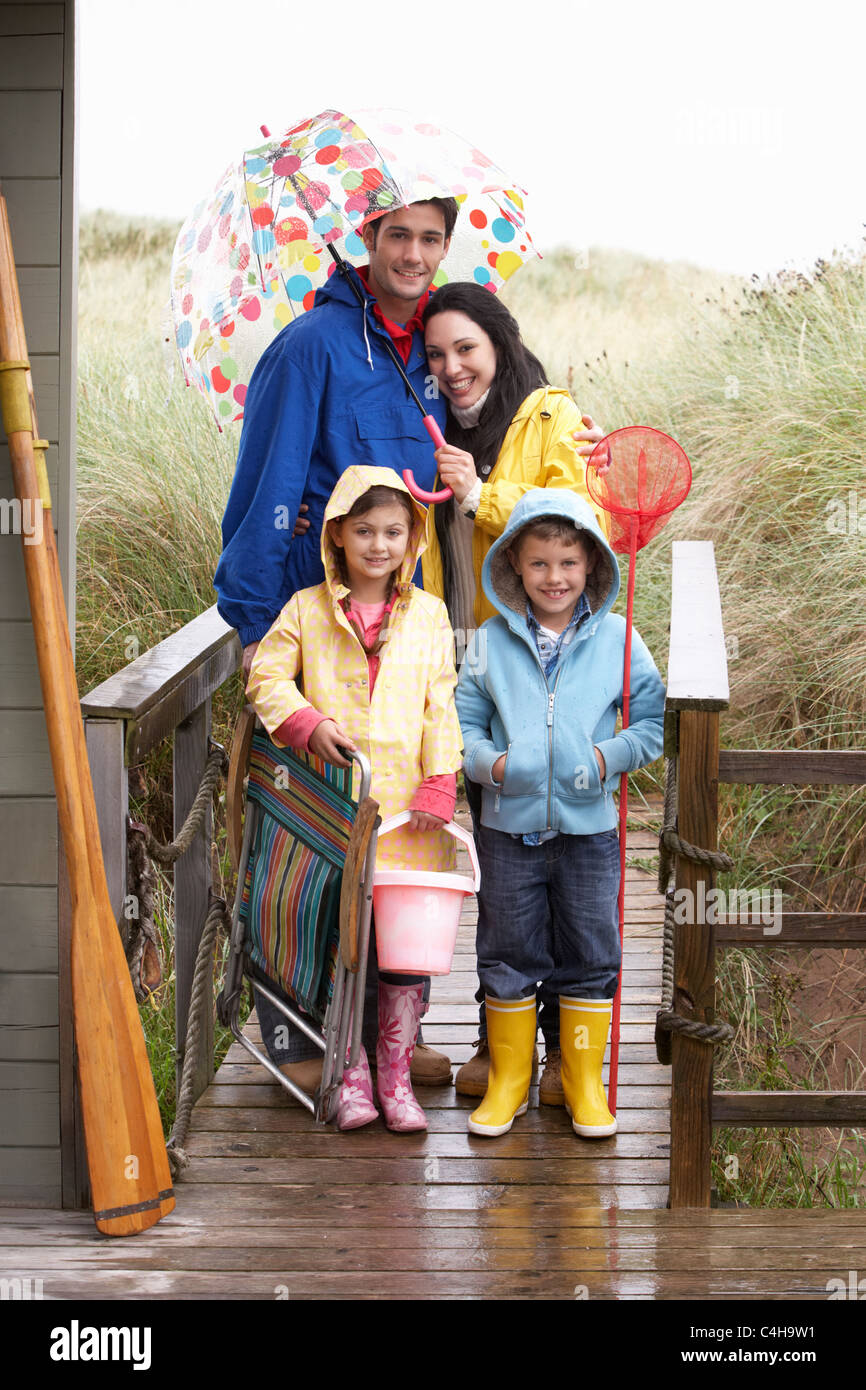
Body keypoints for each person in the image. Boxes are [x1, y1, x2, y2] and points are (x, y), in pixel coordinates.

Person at [215, 198, 460, 1089]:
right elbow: (268, 490)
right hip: (314, 645)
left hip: (397, 644)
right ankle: (297, 1037)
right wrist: (256, 635)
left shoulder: (426, 355)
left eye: (431, 239)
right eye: (398, 236)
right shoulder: (314, 346)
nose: (414, 254)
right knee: (308, 859)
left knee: (389, 852)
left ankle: (387, 1039)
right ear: (368, 242)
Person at [420, 281, 610, 1102]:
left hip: (550, 676)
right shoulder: (428, 428)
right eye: (435, 355)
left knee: (567, 869)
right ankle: (502, 1048)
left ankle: (569, 1057)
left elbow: (583, 518)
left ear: (497, 341)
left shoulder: (549, 417)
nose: (452, 367)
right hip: (469, 675)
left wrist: (477, 491)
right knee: (502, 873)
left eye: (465, 347)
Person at [245, 466, 463, 1131]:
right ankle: (350, 1073)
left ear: (413, 538)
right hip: (337, 808)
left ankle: (396, 1075)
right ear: (337, 535)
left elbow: (442, 703)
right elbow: (265, 676)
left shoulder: (428, 615)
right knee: (344, 936)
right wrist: (307, 724)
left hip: (409, 817)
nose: (378, 545)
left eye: (394, 532)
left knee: (402, 945)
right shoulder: (306, 609)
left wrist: (441, 777)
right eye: (364, 531)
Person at [454, 488, 665, 1138]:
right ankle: (511, 1081)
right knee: (508, 949)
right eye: (540, 563)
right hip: (507, 829)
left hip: (589, 832)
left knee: (590, 950)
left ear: (592, 565)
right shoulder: (489, 640)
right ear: (514, 563)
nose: (555, 577)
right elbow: (462, 724)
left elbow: (651, 724)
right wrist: (490, 765)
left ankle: (581, 1084)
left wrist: (605, 760)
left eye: (569, 563)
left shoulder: (619, 639)